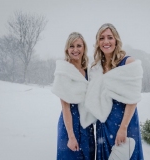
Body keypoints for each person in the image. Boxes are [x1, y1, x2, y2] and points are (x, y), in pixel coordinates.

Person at [84, 23, 144, 160]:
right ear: (98, 42)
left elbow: (133, 99)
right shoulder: (96, 67)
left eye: (110, 37)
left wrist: (123, 128)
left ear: (116, 40)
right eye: (102, 38)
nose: (106, 41)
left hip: (125, 122)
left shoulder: (128, 63)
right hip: (104, 124)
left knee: (125, 155)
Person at [51, 32, 95, 160]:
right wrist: (71, 136)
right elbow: (65, 108)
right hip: (70, 123)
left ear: (84, 48)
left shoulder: (88, 69)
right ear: (67, 49)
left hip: (86, 126)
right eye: (71, 46)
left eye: (79, 46)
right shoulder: (64, 71)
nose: (75, 50)